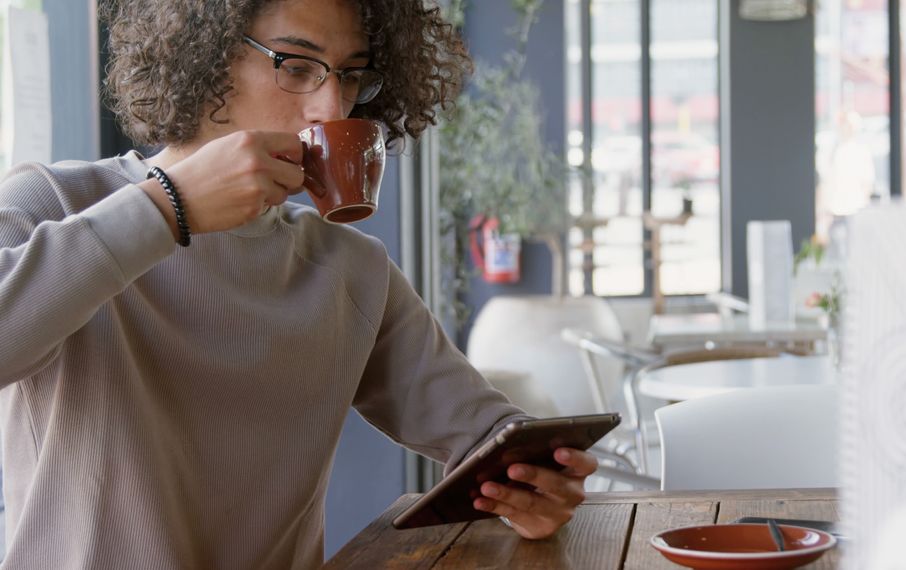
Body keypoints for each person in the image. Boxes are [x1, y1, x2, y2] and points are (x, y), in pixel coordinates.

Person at [0, 0, 598, 567]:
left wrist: (535, 486)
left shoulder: (347, 270)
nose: (333, 109)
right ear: (201, 54)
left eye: (351, 75)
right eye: (298, 65)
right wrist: (166, 207)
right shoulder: (55, 204)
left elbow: (485, 431)